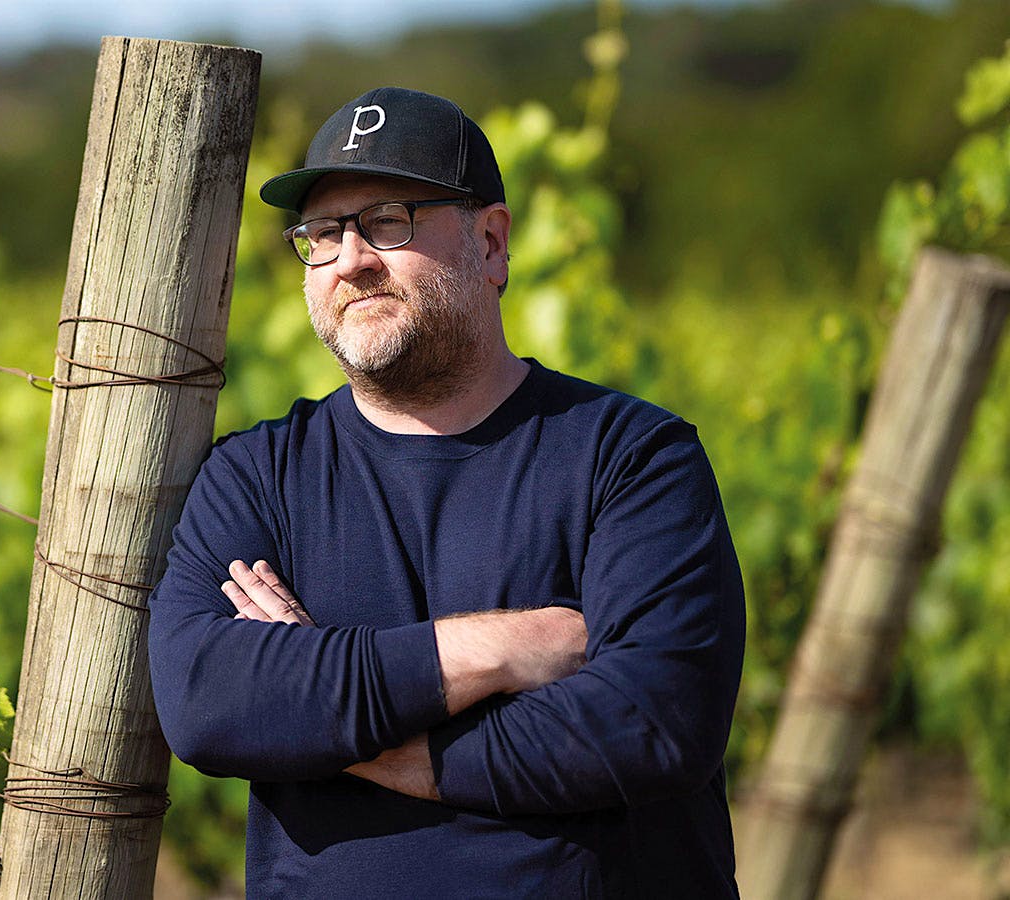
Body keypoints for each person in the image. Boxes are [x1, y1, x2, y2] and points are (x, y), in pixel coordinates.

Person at [147, 86, 746, 898]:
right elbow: (207, 701)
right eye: (322, 234)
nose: (351, 258)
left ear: (492, 243)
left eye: (388, 220)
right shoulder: (258, 476)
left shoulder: (632, 458)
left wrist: (341, 722)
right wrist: (496, 651)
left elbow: (650, 722)